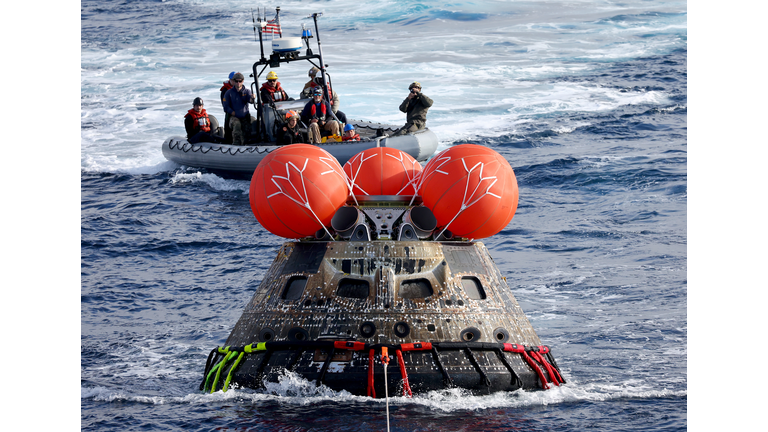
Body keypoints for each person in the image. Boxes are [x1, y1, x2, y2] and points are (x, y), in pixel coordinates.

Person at [223, 72, 256, 146]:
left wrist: (252, 98)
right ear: (234, 81)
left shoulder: (247, 91)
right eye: (236, 81)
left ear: (243, 81)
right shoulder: (229, 93)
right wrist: (232, 112)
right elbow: (226, 106)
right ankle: (236, 144)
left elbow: (250, 101)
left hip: (244, 116)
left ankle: (246, 143)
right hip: (234, 117)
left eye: (240, 81)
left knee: (247, 129)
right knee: (237, 124)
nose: (238, 83)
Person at [220, 71, 236, 143]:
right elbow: (225, 104)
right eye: (234, 80)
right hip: (230, 113)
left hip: (240, 113)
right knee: (229, 130)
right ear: (230, 80)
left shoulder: (241, 89)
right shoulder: (225, 90)